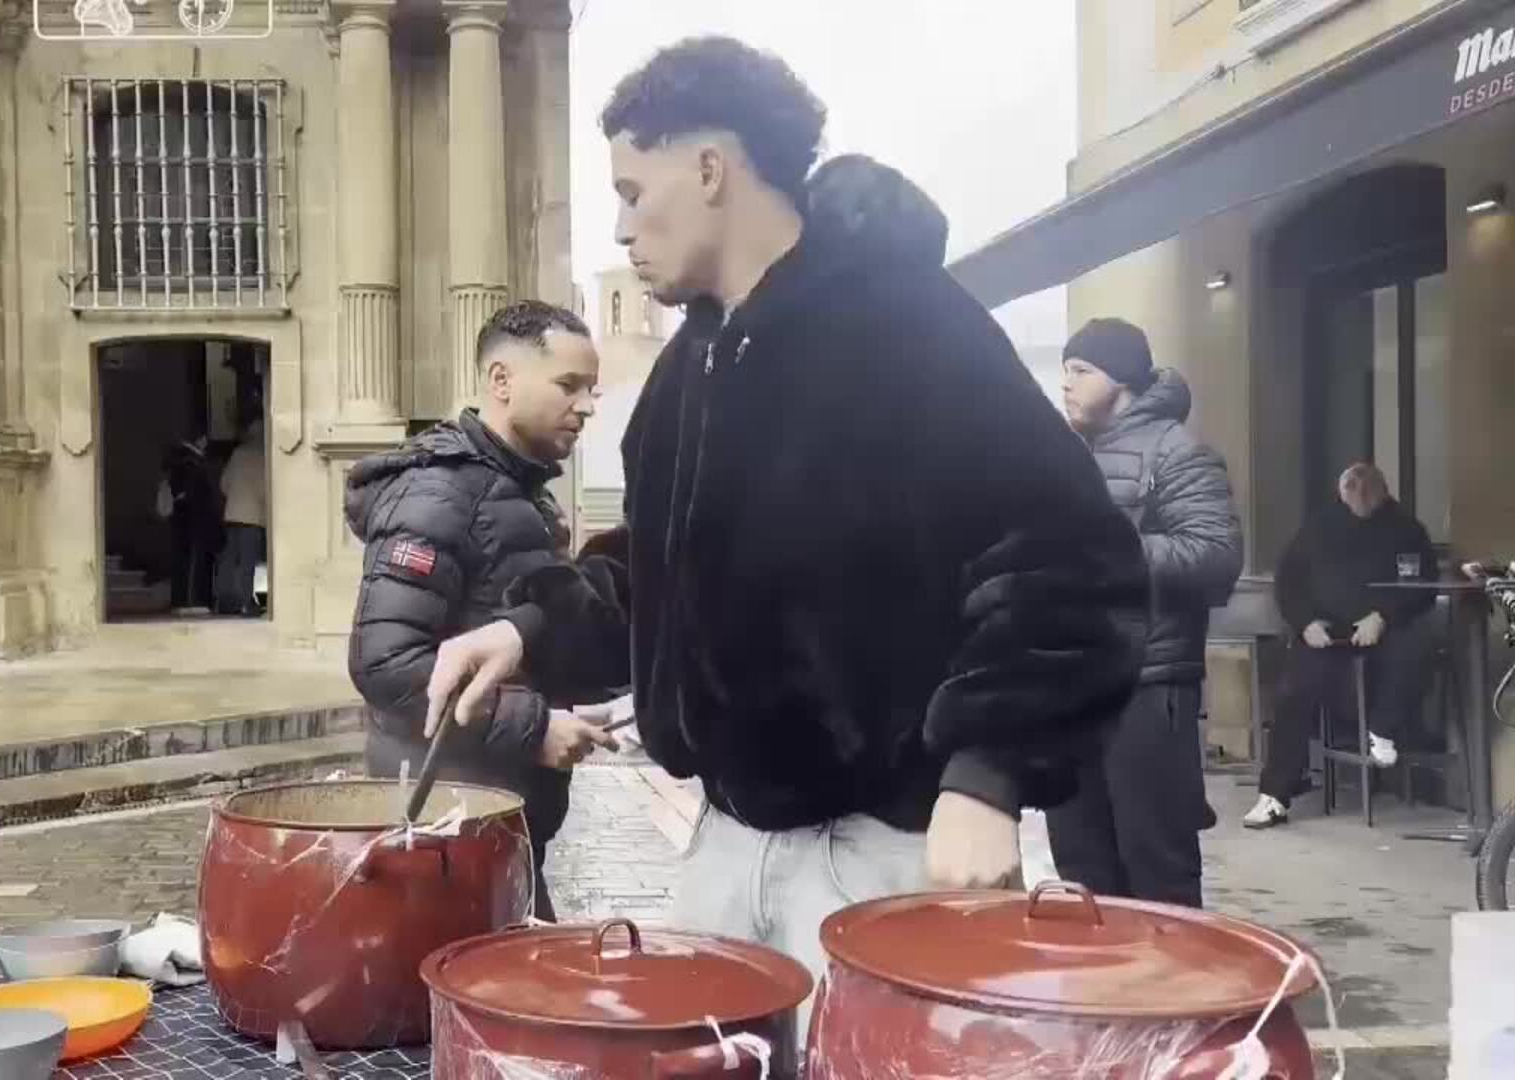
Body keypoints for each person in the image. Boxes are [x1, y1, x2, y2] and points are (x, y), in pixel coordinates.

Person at [422, 37, 1146, 992]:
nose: (623, 228)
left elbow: (1073, 559)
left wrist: (990, 772)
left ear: (710, 169)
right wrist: (525, 632)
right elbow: (660, 569)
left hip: (878, 855)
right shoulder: (684, 373)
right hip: (724, 850)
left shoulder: (908, 325)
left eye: (634, 192)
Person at [345, 300, 616, 922]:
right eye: (568, 385)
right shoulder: (439, 491)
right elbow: (386, 664)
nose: (586, 407)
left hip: (500, 826)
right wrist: (535, 728)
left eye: (592, 390)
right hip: (447, 837)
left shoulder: (521, 490)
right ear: (501, 380)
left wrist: (573, 692)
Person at [1048, 318, 1243, 907]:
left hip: (1148, 688)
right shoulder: (1067, 455)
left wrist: (1110, 548)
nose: (1066, 383)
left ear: (1123, 380)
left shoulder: (1178, 453)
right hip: (1072, 690)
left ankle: (1170, 972)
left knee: (1157, 869)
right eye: (1064, 371)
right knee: (1081, 871)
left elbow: (1216, 556)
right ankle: (1099, 971)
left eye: (1081, 370)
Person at [1247, 462, 1438, 829]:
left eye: (1369, 492)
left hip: (1386, 630)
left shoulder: (1406, 529)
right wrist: (1305, 623)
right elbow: (1288, 582)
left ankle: (1382, 729)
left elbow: (1422, 587)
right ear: (1342, 492)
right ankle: (1274, 795)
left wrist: (1383, 615)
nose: (1361, 498)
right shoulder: (1318, 527)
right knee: (1293, 692)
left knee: (1416, 650)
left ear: (1382, 492)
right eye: (1354, 491)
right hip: (1327, 633)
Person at [157, 433, 221, 614]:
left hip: (181, 521)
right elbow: (199, 497)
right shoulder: (193, 468)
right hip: (194, 522)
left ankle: (181, 599)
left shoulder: (178, 467)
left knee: (182, 560)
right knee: (196, 560)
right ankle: (195, 600)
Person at [218, 403, 269, 618]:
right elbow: (267, 490)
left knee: (230, 559)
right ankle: (247, 603)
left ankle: (225, 600)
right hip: (253, 516)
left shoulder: (238, 453)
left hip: (232, 514)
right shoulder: (265, 456)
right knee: (247, 562)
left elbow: (224, 483)